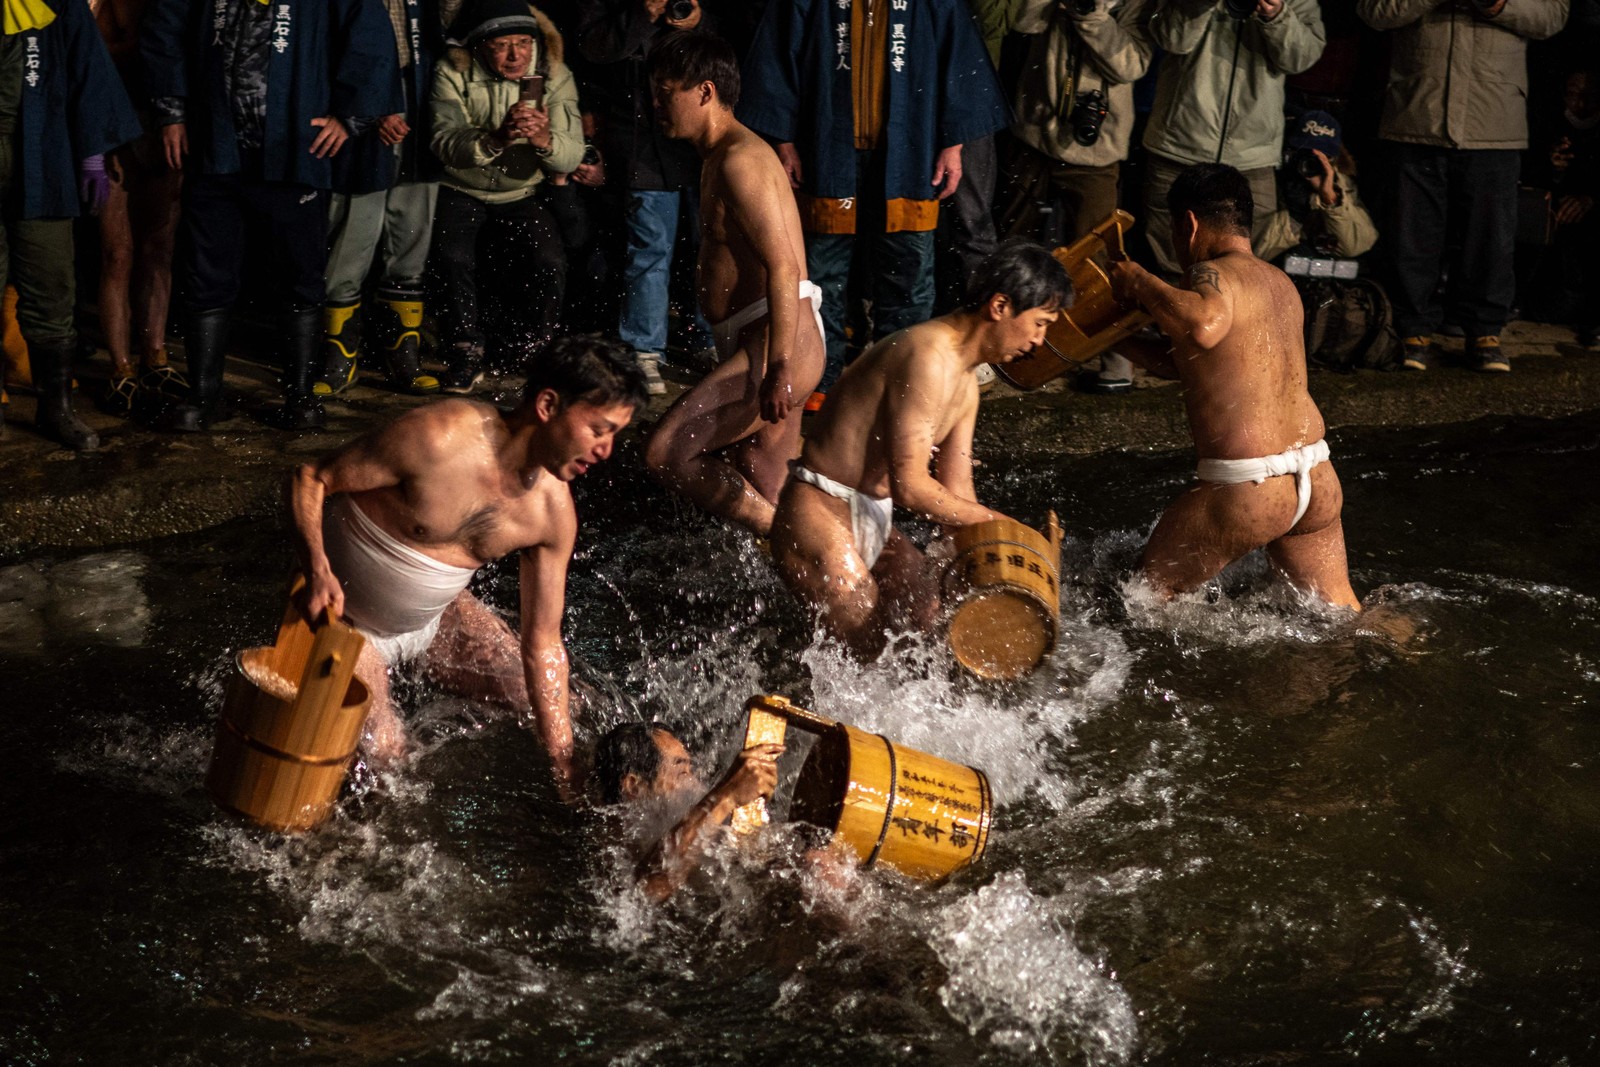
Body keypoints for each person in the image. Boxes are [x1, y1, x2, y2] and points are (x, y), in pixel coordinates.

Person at [286, 334, 650, 792]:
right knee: (386, 760)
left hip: (438, 618)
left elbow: (544, 644)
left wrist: (562, 760)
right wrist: (316, 568)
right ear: (548, 405)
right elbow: (311, 479)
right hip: (345, 622)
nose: (606, 450)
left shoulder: (552, 515)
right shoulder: (439, 439)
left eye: (615, 434)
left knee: (563, 709)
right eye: (599, 429)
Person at [769, 240, 1072, 657]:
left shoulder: (966, 383)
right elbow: (910, 487)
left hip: (873, 515)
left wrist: (990, 562)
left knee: (932, 621)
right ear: (1000, 306)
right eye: (1040, 323)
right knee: (863, 653)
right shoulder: (927, 355)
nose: (1040, 341)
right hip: (819, 510)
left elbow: (958, 494)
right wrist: (1006, 526)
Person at [1106, 163, 1360, 610]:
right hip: (1318, 477)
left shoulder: (1210, 274)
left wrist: (1139, 280)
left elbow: (1204, 324)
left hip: (1251, 487)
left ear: (1187, 224)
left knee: (1141, 601)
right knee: (1342, 616)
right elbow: (1191, 359)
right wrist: (1115, 339)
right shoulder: (1281, 284)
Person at [142, 0, 399, 432]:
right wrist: (172, 113)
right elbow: (165, 27)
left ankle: (300, 397)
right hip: (216, 148)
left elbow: (370, 38)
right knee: (207, 276)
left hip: (295, 150)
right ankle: (204, 397)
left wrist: (350, 117)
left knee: (300, 277)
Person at [738, 0, 1010, 400]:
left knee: (909, 274)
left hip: (910, 150)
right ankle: (820, 381)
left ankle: (899, 386)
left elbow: (958, 60)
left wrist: (953, 144)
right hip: (826, 149)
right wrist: (784, 139)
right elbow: (779, 58)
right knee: (821, 276)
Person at [642, 30, 824, 537]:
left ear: (704, 91)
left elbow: (784, 266)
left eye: (665, 90)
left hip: (778, 340)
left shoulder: (740, 159)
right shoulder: (719, 155)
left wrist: (780, 365)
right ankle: (847, 582)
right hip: (762, 336)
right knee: (770, 484)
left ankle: (781, 536)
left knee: (666, 453)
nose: (656, 103)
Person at [1356, 0, 1567, 374]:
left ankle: (1485, 333)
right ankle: (1410, 330)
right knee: (1411, 234)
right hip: (1417, 113)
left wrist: (1499, 4)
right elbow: (1373, 10)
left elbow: (1553, 15)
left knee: (1490, 237)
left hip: (1494, 119)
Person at [1, 0, 142, 450]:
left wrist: (92, 152)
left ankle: (55, 409)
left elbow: (88, 67)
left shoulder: (57, 4)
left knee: (52, 285)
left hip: (41, 158)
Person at [428, 0, 584, 392]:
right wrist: (497, 137)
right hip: (460, 185)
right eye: (502, 45)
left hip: (521, 190)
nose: (516, 55)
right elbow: (443, 140)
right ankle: (465, 351)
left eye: (523, 43)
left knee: (549, 258)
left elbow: (573, 152)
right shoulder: (454, 70)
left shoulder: (553, 73)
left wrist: (543, 138)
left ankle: (531, 351)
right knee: (452, 256)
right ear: (481, 45)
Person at [1000, 0, 1154, 393]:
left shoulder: (1135, 4)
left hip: (1097, 149)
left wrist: (1092, 14)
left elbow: (1132, 64)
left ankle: (1113, 358)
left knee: (1099, 254)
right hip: (1034, 132)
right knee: (1014, 237)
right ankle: (1001, 344)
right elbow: (1022, 20)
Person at [577, 0, 718, 396]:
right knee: (649, 249)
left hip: (697, 141)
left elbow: (733, 41)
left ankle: (702, 339)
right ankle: (644, 349)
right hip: (639, 141)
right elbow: (593, 48)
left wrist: (699, 21)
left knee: (706, 245)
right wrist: (645, 13)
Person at [317, 0, 446, 399]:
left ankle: (402, 357)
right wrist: (372, 107)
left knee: (411, 243)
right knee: (348, 245)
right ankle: (338, 357)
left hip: (421, 112)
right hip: (356, 123)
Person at [1140, 0, 1325, 274]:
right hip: (1179, 145)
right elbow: (1169, 38)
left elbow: (1301, 58)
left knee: (1248, 269)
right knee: (1170, 268)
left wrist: (1277, 15)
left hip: (1252, 156)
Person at [91, 0, 189, 419]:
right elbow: (86, 55)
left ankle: (155, 354)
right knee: (118, 253)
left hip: (159, 118)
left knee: (158, 247)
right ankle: (120, 365)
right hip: (109, 124)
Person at [594, 721, 782, 901]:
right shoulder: (606, 856)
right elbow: (644, 892)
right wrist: (727, 795)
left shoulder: (660, 832)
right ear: (634, 787)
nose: (695, 785)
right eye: (682, 772)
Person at [1254, 109, 1378, 262]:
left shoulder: (1342, 184)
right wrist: (1295, 216)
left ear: (1333, 160)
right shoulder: (1268, 179)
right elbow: (1254, 252)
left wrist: (1330, 199)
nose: (1312, 163)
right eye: (1304, 154)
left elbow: (1354, 247)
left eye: (1323, 158)